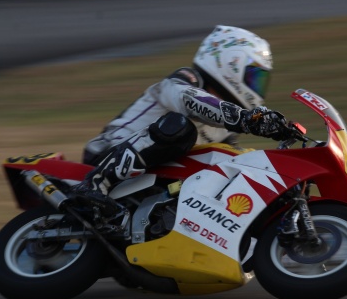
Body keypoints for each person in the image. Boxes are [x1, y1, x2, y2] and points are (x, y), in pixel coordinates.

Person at [70, 25, 295, 217]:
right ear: (230, 63)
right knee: (181, 128)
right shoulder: (186, 81)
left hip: (152, 179)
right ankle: (95, 183)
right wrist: (247, 119)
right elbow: (191, 100)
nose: (257, 86)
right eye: (254, 76)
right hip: (106, 154)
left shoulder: (226, 130)